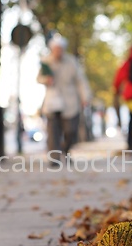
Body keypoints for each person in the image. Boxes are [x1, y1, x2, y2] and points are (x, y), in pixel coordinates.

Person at [37, 35, 91, 165]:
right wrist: (46, 80)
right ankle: (54, 158)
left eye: (60, 49)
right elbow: (39, 78)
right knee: (53, 131)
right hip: (52, 101)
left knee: (71, 130)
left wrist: (85, 97)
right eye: (56, 49)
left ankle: (65, 150)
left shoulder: (71, 61)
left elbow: (81, 81)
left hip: (70, 101)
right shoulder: (46, 62)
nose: (58, 52)